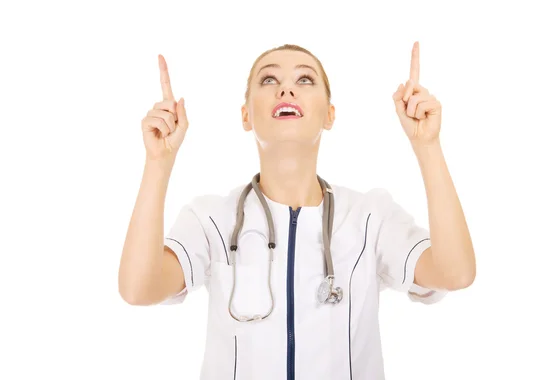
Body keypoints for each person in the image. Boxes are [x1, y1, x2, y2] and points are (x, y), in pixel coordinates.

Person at [118, 41, 476, 379]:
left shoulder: (370, 217)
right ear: (246, 115)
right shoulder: (211, 220)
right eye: (269, 79)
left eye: (305, 79)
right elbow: (138, 288)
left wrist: (427, 147)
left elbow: (455, 273)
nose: (286, 90)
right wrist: (158, 163)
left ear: (329, 114)